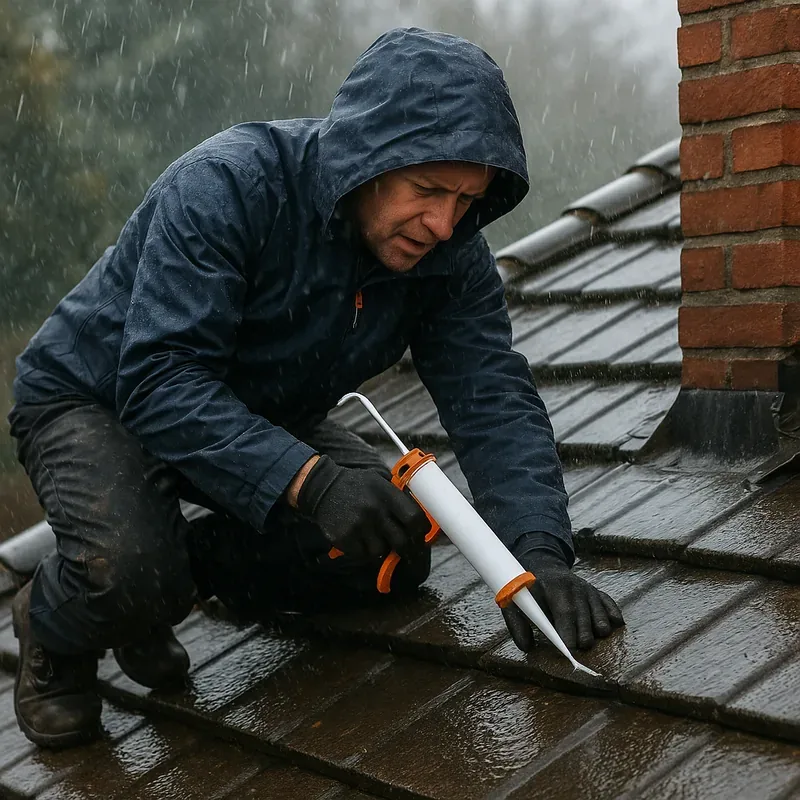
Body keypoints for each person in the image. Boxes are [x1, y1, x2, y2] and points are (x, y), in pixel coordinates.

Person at [7, 27, 624, 749]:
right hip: (98, 397)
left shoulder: (452, 253)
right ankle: (58, 624)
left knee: (385, 550)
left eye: (465, 201)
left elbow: (492, 396)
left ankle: (161, 588)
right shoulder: (228, 186)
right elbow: (160, 381)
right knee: (129, 567)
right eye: (428, 190)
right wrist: (310, 481)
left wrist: (538, 557)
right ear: (367, 160)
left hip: (260, 408)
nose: (443, 223)